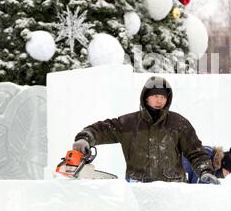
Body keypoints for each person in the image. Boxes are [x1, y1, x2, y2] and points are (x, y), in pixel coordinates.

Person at [72, 76, 220, 184]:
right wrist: (85, 137)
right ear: (146, 97)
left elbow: (196, 152)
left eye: (163, 97)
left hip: (173, 193)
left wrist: (206, 171)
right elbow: (101, 129)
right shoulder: (129, 123)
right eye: (155, 96)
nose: (159, 100)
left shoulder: (179, 124)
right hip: (138, 192)